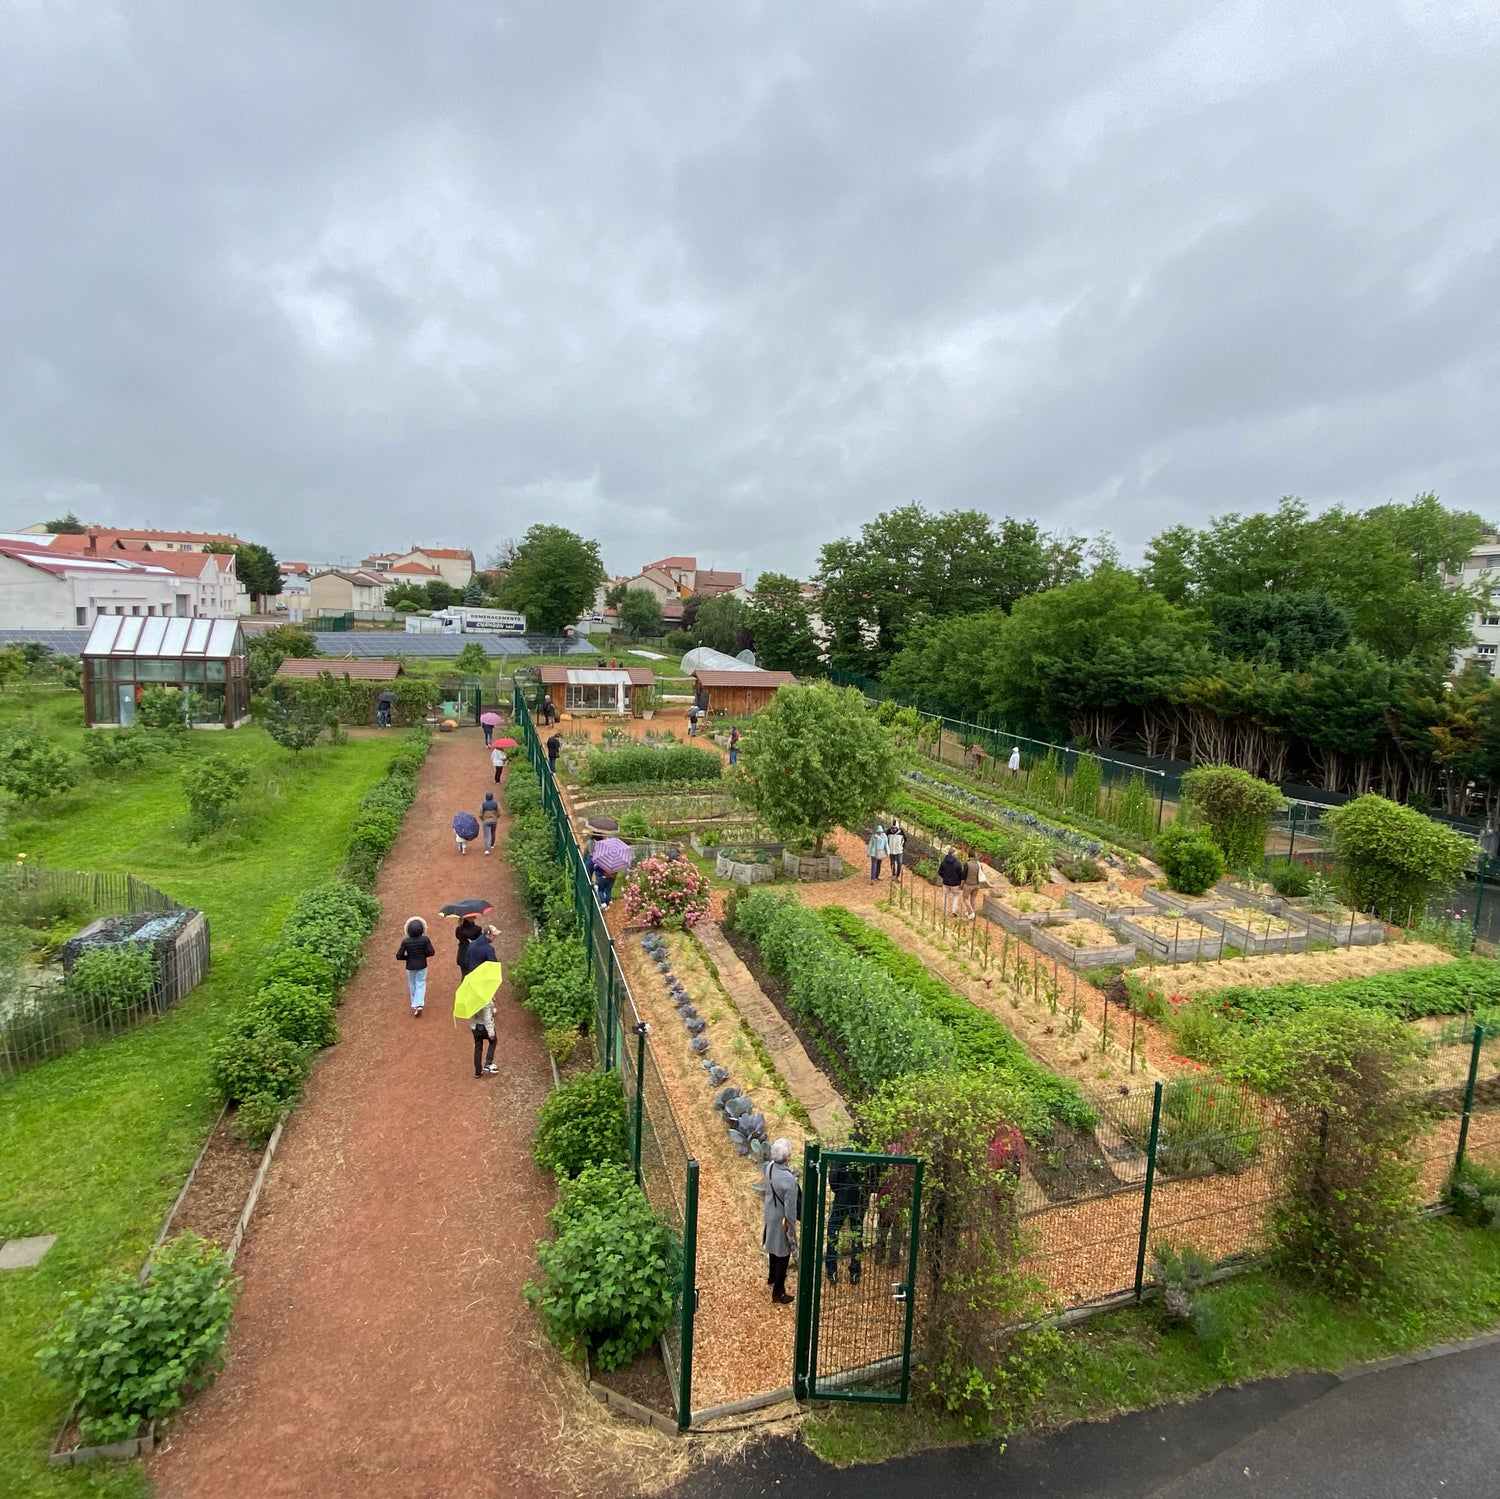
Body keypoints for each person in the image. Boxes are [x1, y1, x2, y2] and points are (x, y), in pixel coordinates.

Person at [763, 1139, 800, 1306]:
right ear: (787, 1157)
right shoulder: (789, 1180)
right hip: (781, 1220)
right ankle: (778, 1292)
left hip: (770, 1213)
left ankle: (771, 1276)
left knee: (772, 1246)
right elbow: (790, 1211)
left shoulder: (770, 1167)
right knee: (783, 1254)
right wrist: (791, 1229)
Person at [463, 924, 501, 1077]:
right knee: (492, 1039)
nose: (495, 937)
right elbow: (493, 967)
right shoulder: (488, 949)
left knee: (477, 1046)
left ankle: (477, 1071)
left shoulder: (471, 945)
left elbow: (466, 962)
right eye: (494, 935)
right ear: (488, 934)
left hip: (473, 984)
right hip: (484, 984)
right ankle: (489, 1063)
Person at [824, 1159, 868, 1286]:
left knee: (833, 1230)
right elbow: (873, 1177)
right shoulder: (866, 1155)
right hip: (859, 1198)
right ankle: (855, 1272)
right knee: (857, 1233)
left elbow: (833, 1177)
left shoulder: (842, 1155)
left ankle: (831, 1271)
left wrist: (839, 1190)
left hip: (842, 1197)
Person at [395, 916, 434, 1017]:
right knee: (420, 983)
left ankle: (416, 1005)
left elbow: (399, 956)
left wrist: (408, 958)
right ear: (422, 930)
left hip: (410, 966)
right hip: (422, 965)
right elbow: (431, 952)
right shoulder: (425, 940)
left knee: (412, 983)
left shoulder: (405, 941)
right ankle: (419, 1004)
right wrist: (423, 956)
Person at [938, 848, 965, 916]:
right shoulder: (957, 863)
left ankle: (945, 911)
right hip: (955, 883)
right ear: (953, 854)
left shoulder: (944, 862)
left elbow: (940, 872)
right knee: (956, 895)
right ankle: (954, 910)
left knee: (945, 896)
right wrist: (959, 881)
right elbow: (960, 874)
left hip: (945, 883)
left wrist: (944, 877)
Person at [963, 852, 983, 918]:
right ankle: (971, 912)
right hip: (976, 884)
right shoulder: (979, 864)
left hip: (968, 884)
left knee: (965, 898)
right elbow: (981, 873)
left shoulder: (967, 864)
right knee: (973, 898)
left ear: (969, 856)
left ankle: (971, 912)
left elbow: (964, 876)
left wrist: (961, 884)